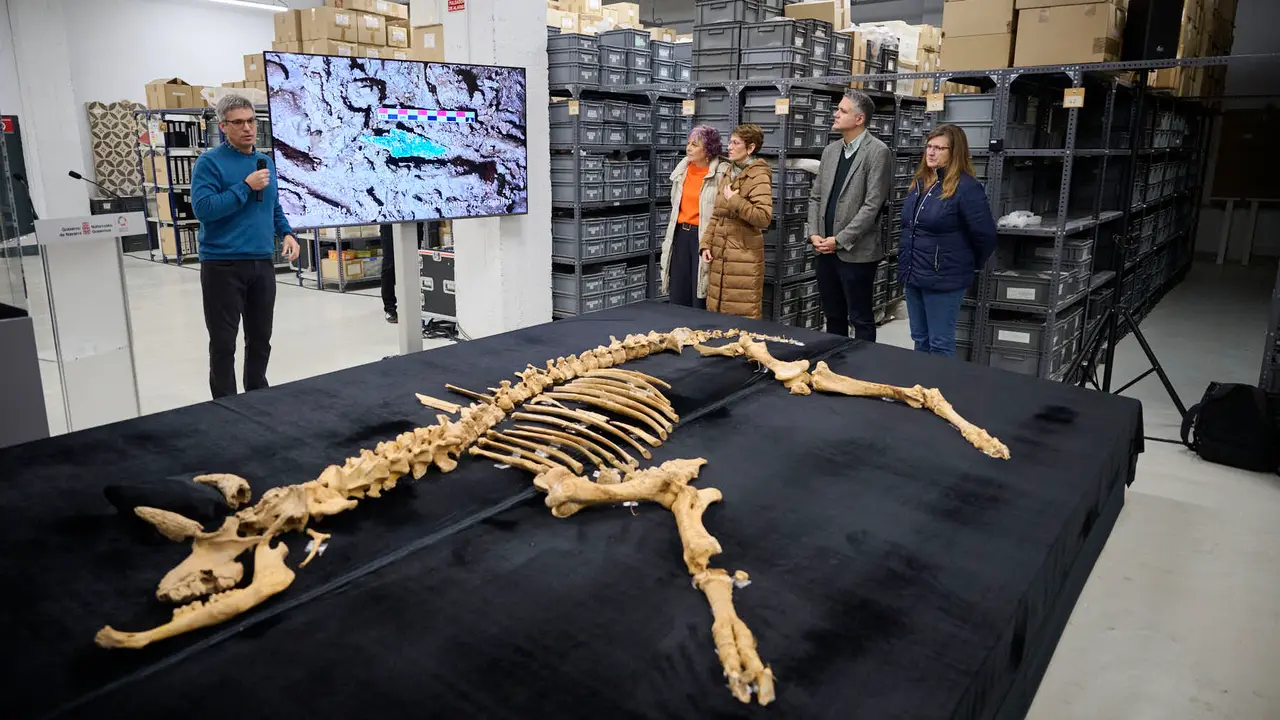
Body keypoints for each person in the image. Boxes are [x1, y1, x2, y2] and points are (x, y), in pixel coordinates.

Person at [191, 94, 300, 399]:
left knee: (261, 337)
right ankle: (225, 403)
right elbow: (204, 209)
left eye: (251, 120)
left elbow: (273, 205)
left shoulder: (265, 163)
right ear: (223, 126)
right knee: (224, 342)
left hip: (261, 262)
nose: (248, 128)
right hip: (222, 264)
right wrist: (245, 187)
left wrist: (286, 233)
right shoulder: (209, 163)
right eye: (238, 122)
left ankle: (257, 395)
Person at [899, 124, 997, 357]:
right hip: (913, 275)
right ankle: (922, 381)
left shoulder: (966, 188)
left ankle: (941, 382)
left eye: (939, 148)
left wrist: (963, 265)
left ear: (955, 152)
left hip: (943, 279)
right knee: (920, 338)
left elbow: (986, 235)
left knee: (940, 344)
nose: (931, 153)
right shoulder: (920, 183)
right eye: (929, 147)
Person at [807, 89, 892, 341]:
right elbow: (816, 197)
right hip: (824, 249)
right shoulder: (830, 151)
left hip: (857, 252)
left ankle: (862, 363)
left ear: (859, 119)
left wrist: (840, 240)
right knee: (833, 315)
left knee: (860, 318)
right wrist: (814, 233)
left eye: (842, 111)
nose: (835, 114)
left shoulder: (877, 152)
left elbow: (872, 205)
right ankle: (834, 361)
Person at [702, 124, 773, 319]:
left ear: (750, 148)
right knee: (716, 320)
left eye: (736, 143)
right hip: (720, 256)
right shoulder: (729, 171)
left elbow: (763, 217)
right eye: (730, 142)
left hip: (743, 260)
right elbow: (717, 214)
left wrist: (735, 201)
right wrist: (706, 244)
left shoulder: (759, 175)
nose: (729, 147)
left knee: (741, 320)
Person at [660, 125, 728, 308]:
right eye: (688, 143)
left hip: (705, 238)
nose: (688, 148)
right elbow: (675, 204)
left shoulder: (722, 172)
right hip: (681, 235)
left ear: (708, 150)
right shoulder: (682, 170)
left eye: (695, 145)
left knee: (701, 292)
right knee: (678, 292)